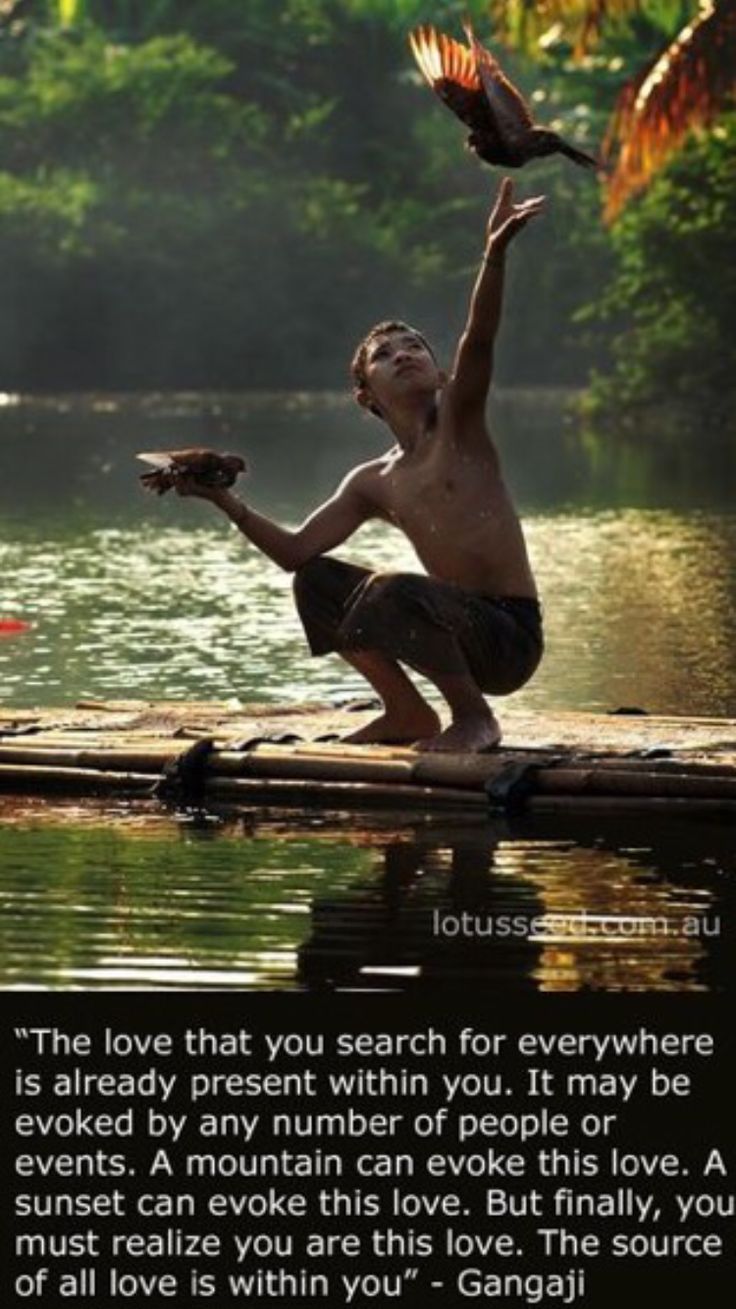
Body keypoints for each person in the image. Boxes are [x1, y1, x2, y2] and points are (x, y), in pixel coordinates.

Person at [177, 178, 545, 752]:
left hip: (508, 636)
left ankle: (474, 718)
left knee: (391, 589)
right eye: (384, 354)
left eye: (415, 347)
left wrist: (493, 255)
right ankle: (404, 713)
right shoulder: (374, 480)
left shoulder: (461, 424)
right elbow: (296, 551)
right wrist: (221, 499)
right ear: (366, 394)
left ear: (441, 373)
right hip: (451, 626)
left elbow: (480, 338)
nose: (402, 354)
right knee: (317, 581)